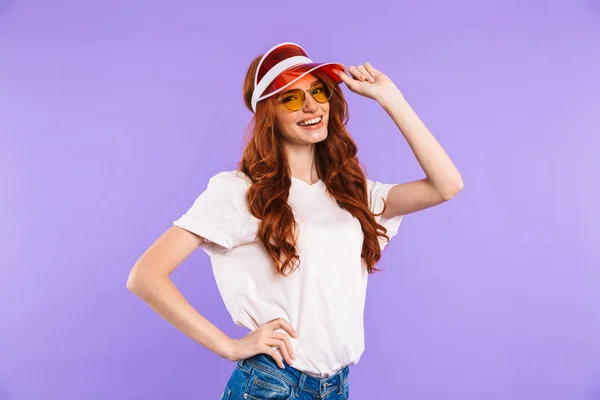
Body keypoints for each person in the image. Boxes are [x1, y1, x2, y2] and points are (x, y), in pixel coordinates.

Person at [127, 42, 463, 400]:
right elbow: (145, 276)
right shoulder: (240, 192)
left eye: (318, 91)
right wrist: (228, 346)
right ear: (268, 113)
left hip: (336, 386)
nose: (311, 106)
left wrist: (390, 98)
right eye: (291, 98)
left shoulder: (354, 194)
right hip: (272, 386)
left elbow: (446, 185)